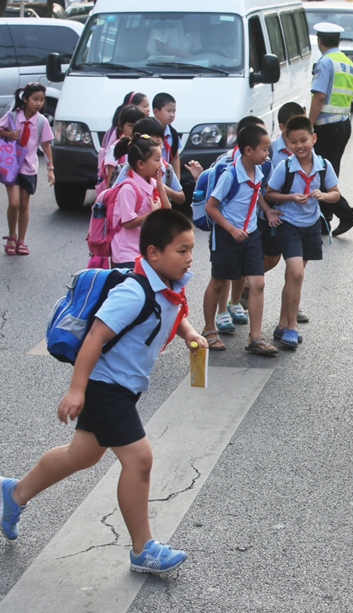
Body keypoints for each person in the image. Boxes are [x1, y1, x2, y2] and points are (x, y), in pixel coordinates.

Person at [1, 209, 204, 573]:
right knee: (139, 460)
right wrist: (77, 390)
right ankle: (144, 549)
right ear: (154, 253)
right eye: (182, 250)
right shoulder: (132, 292)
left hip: (125, 388)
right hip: (106, 386)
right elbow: (95, 337)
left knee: (82, 455)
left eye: (191, 249)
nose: (190, 258)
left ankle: (14, 494)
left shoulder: (167, 284)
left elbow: (172, 309)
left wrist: (188, 333)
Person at [261, 117, 340, 349]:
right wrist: (291, 198)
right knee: (296, 274)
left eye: (304, 140)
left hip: (311, 225)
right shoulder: (285, 167)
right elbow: (270, 193)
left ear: (313, 138)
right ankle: (293, 327)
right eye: (293, 141)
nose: (299, 145)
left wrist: (323, 196)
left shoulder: (323, 165)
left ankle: (282, 324)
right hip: (288, 224)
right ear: (287, 143)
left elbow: (335, 192)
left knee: (294, 276)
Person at [201, 125, 278, 356]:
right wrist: (231, 229)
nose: (267, 154)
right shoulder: (230, 176)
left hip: (251, 235)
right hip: (227, 235)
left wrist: (267, 210)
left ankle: (255, 337)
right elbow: (211, 207)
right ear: (247, 150)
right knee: (218, 282)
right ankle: (208, 329)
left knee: (258, 283)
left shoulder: (259, 170)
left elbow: (257, 194)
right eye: (264, 149)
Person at [307, 22, 353, 237]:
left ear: (320, 41)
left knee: (321, 175)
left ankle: (347, 215)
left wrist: (309, 125)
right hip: (343, 123)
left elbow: (319, 96)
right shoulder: (347, 62)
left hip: (327, 126)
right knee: (327, 173)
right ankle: (325, 220)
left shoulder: (326, 62)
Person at [1, 83, 53, 256]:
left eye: (42, 100)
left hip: (29, 167)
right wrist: (9, 134)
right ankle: (12, 236)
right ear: (25, 99)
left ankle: (22, 240)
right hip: (12, 166)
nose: (39, 103)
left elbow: (46, 145)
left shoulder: (41, 121)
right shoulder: (13, 116)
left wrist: (50, 168)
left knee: (24, 205)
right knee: (14, 203)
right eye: (35, 99)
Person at [110, 136, 172, 268]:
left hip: (144, 252)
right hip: (127, 255)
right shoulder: (128, 188)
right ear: (141, 164)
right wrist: (152, 214)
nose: (160, 165)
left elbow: (168, 212)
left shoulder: (154, 183)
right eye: (156, 160)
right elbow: (127, 223)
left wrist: (160, 186)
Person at [112, 117, 193, 209]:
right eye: (152, 144)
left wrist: (164, 189)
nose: (157, 148)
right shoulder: (129, 169)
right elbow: (113, 195)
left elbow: (181, 198)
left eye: (159, 143)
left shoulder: (166, 168)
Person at [101, 105, 145, 191]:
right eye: (131, 126)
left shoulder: (144, 147)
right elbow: (111, 182)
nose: (135, 130)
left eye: (138, 125)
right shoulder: (115, 148)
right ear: (121, 126)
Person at [271, 102, 307, 172]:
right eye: (296, 126)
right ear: (282, 128)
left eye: (305, 124)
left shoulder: (308, 148)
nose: (302, 129)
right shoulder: (271, 151)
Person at [152, 93, 180, 180]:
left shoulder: (173, 133)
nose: (172, 115)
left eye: (174, 111)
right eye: (168, 111)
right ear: (156, 112)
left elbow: (175, 158)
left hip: (165, 177)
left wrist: (177, 180)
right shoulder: (147, 130)